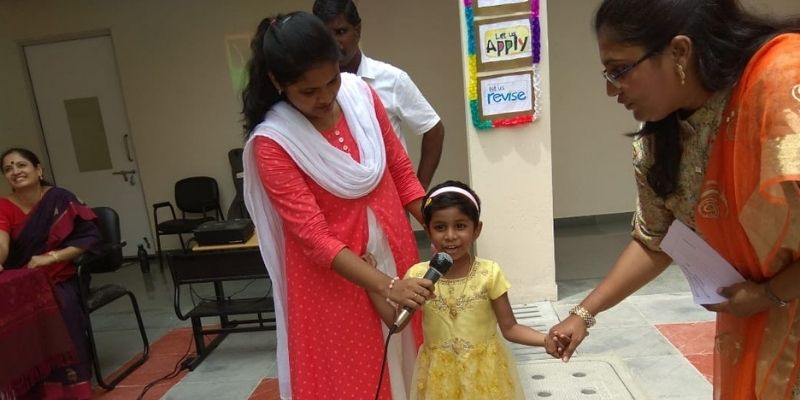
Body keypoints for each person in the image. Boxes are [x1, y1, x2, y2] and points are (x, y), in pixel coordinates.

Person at [545, 1, 800, 399]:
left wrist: (769, 294)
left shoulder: (780, 84)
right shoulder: (661, 139)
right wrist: (583, 313)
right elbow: (656, 238)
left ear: (679, 51)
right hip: (757, 322)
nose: (611, 90)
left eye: (619, 70)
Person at [240, 12, 435, 400]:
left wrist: (440, 224)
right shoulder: (274, 143)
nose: (326, 96)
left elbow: (399, 171)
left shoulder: (361, 96)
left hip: (395, 253)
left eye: (331, 81)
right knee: (355, 376)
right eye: (308, 91)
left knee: (410, 359)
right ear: (278, 82)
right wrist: (388, 286)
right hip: (334, 281)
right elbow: (314, 238)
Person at [368, 181, 548, 400]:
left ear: (476, 229)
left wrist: (545, 340)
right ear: (428, 231)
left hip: (485, 376)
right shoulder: (418, 275)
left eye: (460, 226)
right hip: (439, 378)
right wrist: (371, 283)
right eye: (440, 227)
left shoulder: (489, 273)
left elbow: (510, 328)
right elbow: (396, 322)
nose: (450, 236)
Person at [0, 148, 100, 399]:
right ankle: (26, 385)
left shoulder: (60, 198)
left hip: (62, 277)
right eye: (8, 169)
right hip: (23, 280)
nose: (15, 171)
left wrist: (51, 257)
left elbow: (89, 237)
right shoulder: (3, 205)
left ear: (38, 169)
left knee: (59, 304)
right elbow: (2, 244)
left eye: (21, 165)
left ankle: (70, 386)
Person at [312, 0, 445, 190]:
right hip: (341, 196)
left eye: (341, 32)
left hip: (392, 197)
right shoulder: (313, 90)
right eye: (326, 36)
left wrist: (418, 190)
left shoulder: (391, 79)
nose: (334, 43)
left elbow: (434, 129)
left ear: (358, 30)